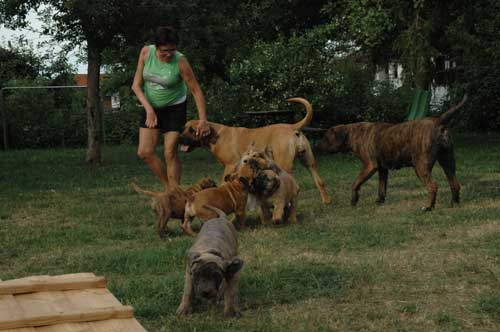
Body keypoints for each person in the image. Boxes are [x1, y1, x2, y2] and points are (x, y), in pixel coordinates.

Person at [132, 26, 209, 187]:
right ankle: (172, 189)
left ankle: (174, 193)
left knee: (169, 152)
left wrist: (203, 119)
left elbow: (195, 90)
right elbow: (136, 86)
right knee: (144, 152)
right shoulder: (146, 53)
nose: (168, 54)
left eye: (172, 50)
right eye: (164, 51)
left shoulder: (180, 61)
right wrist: (149, 110)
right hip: (150, 108)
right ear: (156, 47)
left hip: (175, 109)